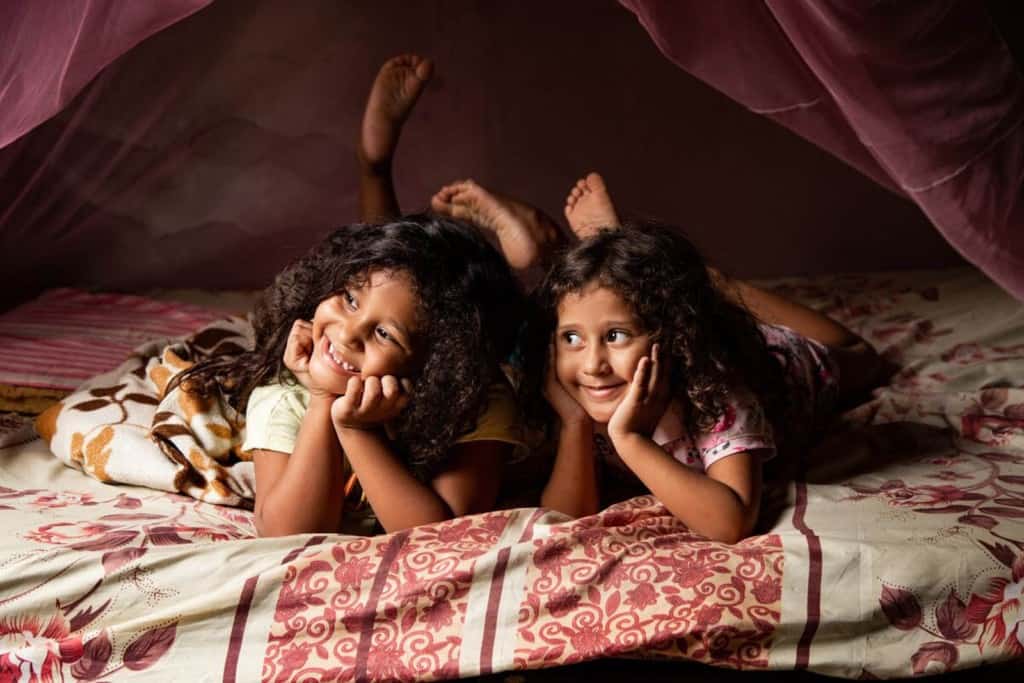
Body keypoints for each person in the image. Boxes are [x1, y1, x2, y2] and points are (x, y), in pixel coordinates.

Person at [174, 56, 528, 537]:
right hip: (318, 389)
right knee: (390, 260)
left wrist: (357, 432)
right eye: (347, 299)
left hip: (483, 358)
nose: (347, 334)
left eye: (384, 333)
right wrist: (323, 402)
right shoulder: (287, 394)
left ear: (437, 365)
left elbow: (442, 534)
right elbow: (285, 533)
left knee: (536, 338)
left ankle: (529, 253)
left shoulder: (478, 397)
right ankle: (375, 167)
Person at [527, 172, 888, 543]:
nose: (591, 365)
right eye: (571, 337)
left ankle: (700, 280)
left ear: (673, 337)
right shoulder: (582, 393)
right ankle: (617, 254)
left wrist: (630, 438)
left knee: (865, 358)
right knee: (620, 301)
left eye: (616, 336)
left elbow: (730, 524)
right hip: (699, 335)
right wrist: (575, 425)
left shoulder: (716, 392)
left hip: (783, 363)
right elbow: (567, 517)